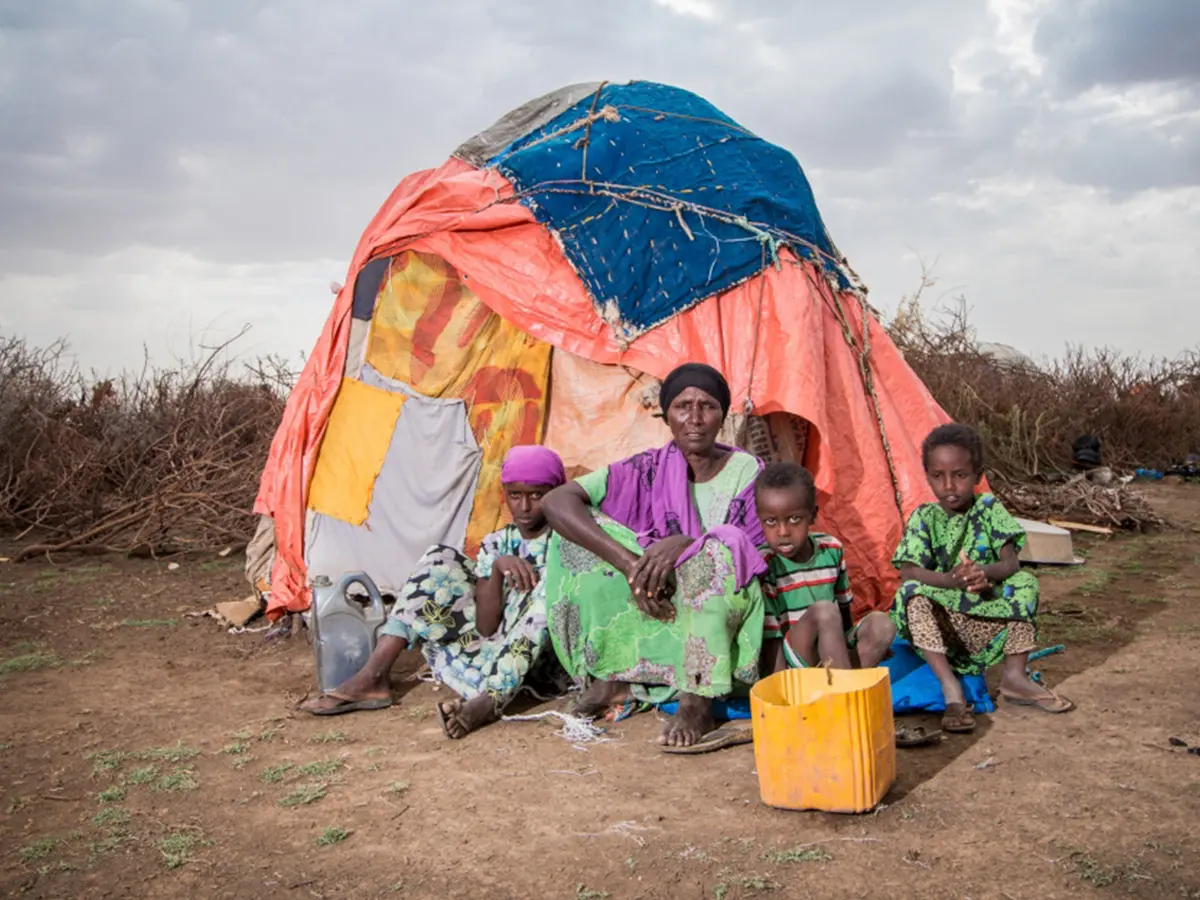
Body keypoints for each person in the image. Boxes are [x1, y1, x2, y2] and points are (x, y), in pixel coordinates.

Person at [541, 363, 767, 751]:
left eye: (707, 406)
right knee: (572, 538)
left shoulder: (747, 470)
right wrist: (631, 564)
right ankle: (615, 678)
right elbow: (556, 500)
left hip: (719, 596)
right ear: (667, 415)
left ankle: (697, 697)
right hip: (653, 590)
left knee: (721, 546)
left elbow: (749, 551)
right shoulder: (647, 469)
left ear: (722, 414)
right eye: (683, 406)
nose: (694, 418)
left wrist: (684, 544)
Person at [299, 445, 568, 739]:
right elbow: (486, 627)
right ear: (505, 494)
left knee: (551, 588)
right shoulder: (497, 543)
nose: (525, 507)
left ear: (556, 493)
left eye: (537, 495)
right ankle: (374, 675)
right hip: (494, 651)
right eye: (515, 495)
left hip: (538, 661)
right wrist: (495, 568)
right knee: (438, 559)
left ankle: (487, 704)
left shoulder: (566, 539)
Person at [890, 423, 1075, 734]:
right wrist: (949, 580)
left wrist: (984, 574)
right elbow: (908, 571)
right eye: (938, 476)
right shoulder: (924, 517)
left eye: (960, 475)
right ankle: (950, 689)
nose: (949, 486)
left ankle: (1015, 677)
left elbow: (1011, 563)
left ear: (977, 475)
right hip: (943, 625)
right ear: (928, 476)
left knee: (1026, 582)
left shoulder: (989, 509)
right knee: (910, 591)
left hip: (986, 615)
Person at [755, 462, 895, 673]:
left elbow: (844, 609)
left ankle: (838, 678)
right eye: (771, 521)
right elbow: (771, 635)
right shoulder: (765, 562)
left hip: (831, 647)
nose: (782, 531)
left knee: (882, 625)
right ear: (760, 520)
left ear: (813, 515)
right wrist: (782, 689)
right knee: (824, 611)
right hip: (796, 655)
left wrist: (853, 646)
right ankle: (844, 693)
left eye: (794, 519)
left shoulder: (831, 549)